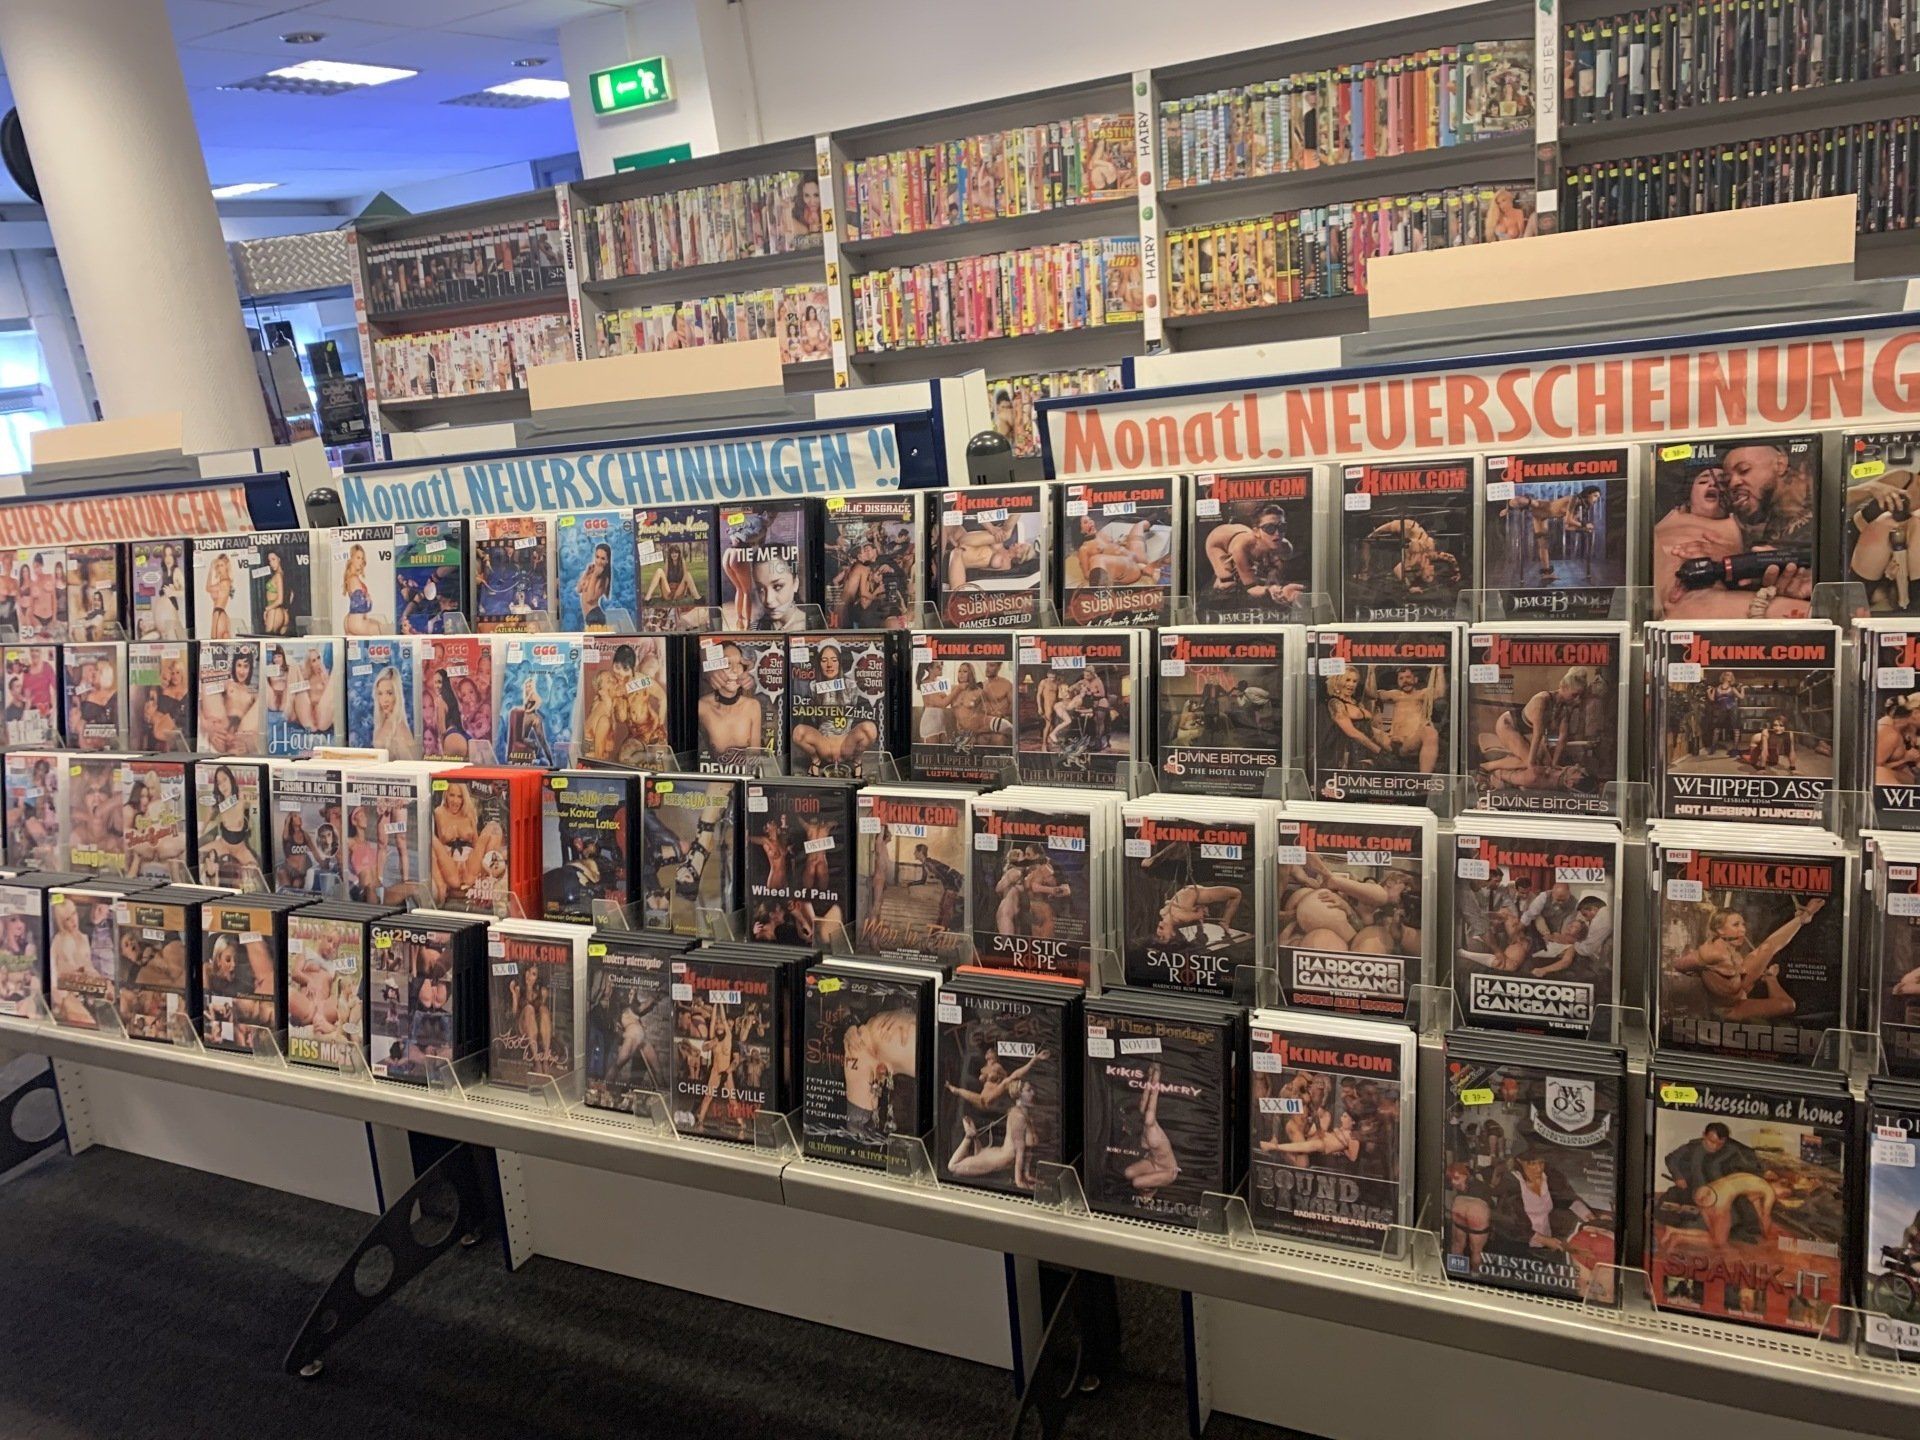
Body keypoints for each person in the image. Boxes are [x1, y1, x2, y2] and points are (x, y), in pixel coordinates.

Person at [1672, 898, 1824, 1024]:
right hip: (1729, 1009)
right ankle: (1771, 977)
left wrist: (1803, 916)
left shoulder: (1732, 950)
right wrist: (1700, 971)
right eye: (1736, 925)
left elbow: (1770, 945)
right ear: (1720, 930)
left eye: (1743, 924)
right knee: (1787, 1005)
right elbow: (1678, 965)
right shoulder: (1711, 954)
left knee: (1767, 949)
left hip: (1739, 991)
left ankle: (1802, 920)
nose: (1743, 930)